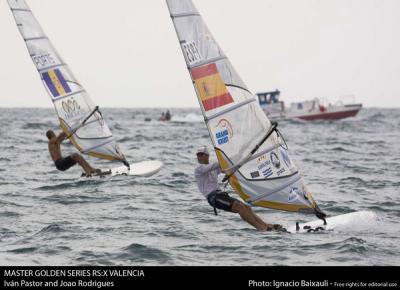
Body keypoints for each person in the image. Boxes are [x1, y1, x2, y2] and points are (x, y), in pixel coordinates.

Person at [194, 146, 284, 231]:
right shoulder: (199, 169)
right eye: (198, 155)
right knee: (239, 207)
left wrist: (239, 156)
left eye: (201, 154)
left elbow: (226, 167)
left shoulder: (211, 169)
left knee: (246, 207)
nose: (199, 157)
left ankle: (266, 225)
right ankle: (261, 228)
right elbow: (217, 164)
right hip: (213, 198)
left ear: (207, 156)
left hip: (220, 195)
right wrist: (226, 159)